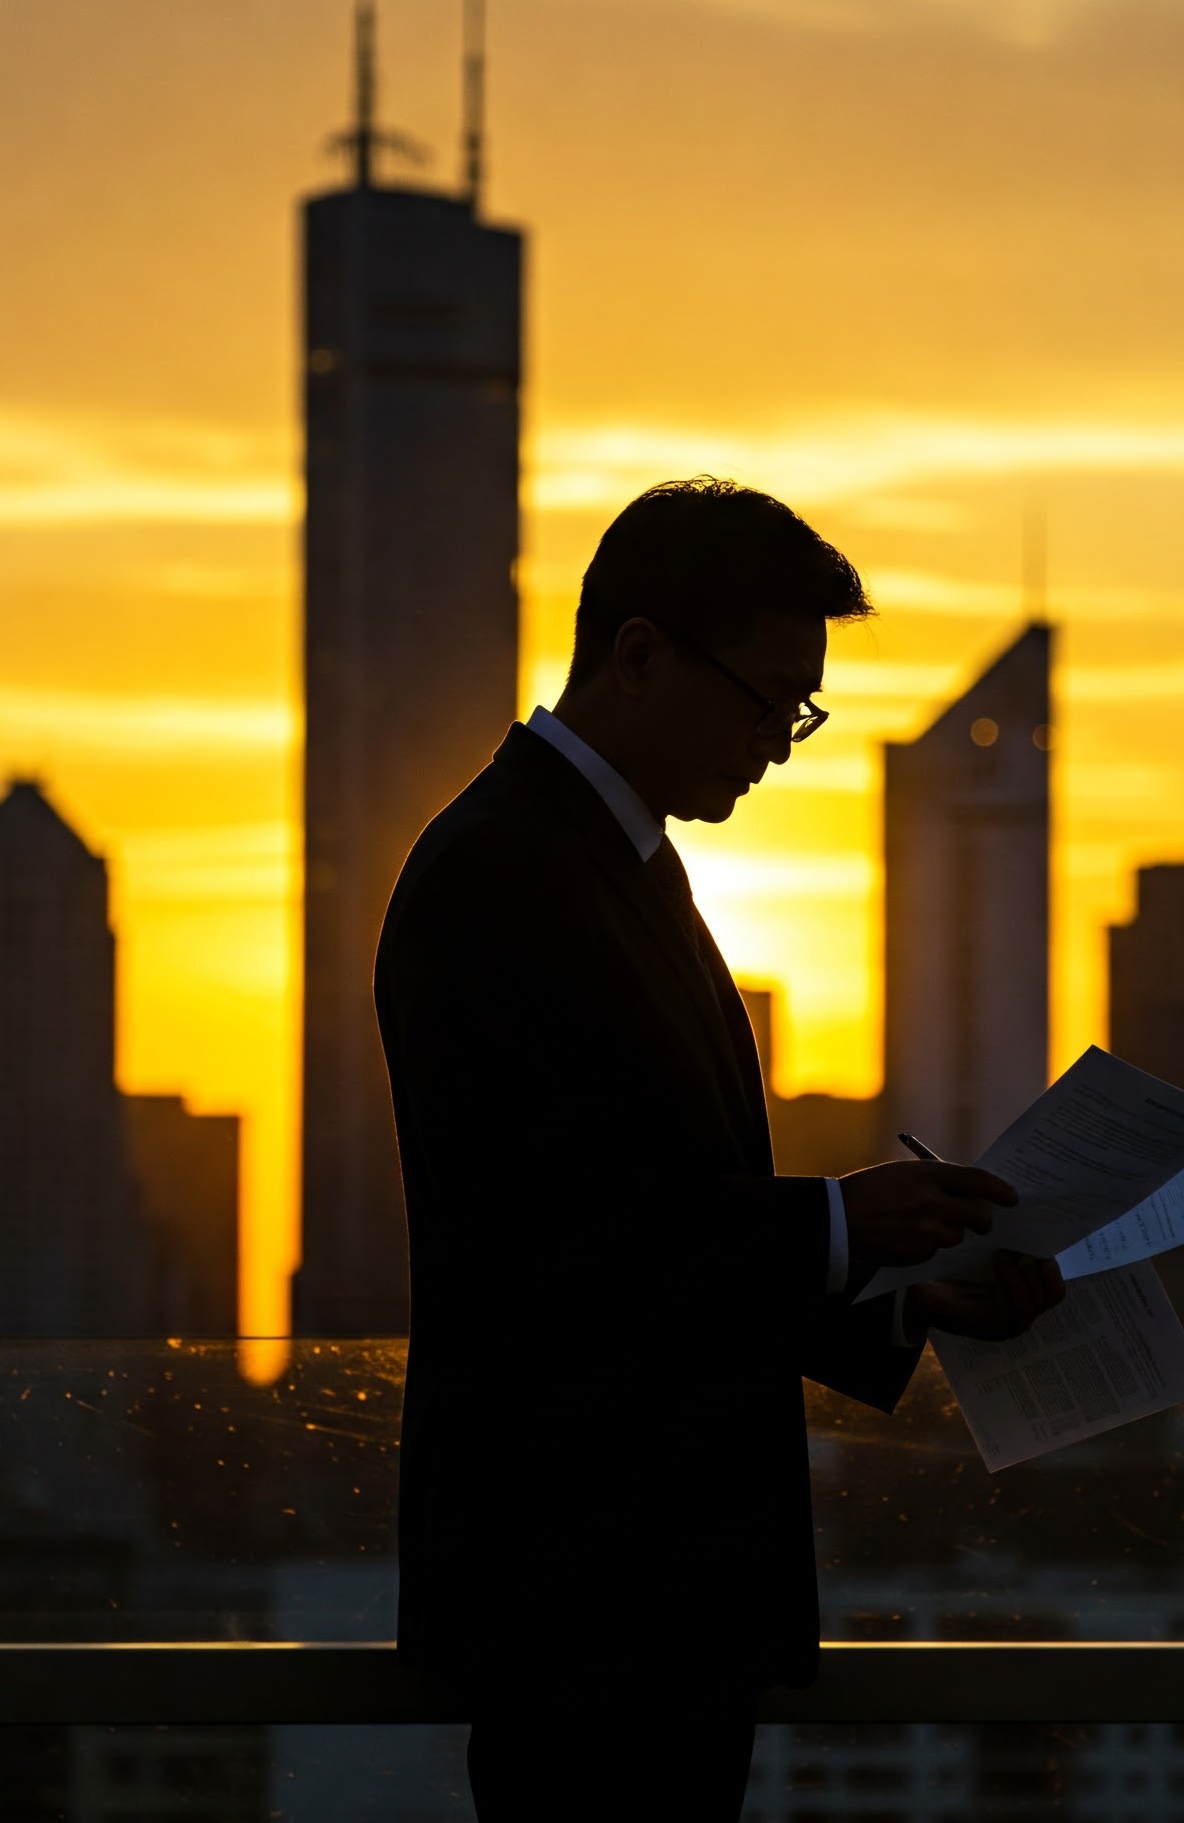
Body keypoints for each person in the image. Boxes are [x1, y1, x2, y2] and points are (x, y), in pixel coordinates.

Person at [376, 479, 1065, 1819]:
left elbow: (665, 1237)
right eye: (765, 701)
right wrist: (848, 1226)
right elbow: (553, 1249)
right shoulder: (498, 875)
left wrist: (908, 1298)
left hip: (651, 1595)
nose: (781, 744)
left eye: (799, 711)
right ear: (638, 655)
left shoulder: (624, 870)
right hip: (583, 1595)